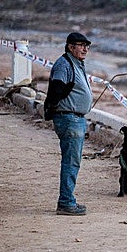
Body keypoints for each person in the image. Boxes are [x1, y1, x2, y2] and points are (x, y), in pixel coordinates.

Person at [44, 32, 93, 215]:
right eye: (81, 45)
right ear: (70, 47)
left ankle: (67, 200)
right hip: (69, 118)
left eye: (87, 45)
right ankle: (65, 202)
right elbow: (56, 90)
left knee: (73, 161)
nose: (85, 48)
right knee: (71, 162)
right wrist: (61, 109)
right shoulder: (64, 64)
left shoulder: (76, 64)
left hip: (75, 118)